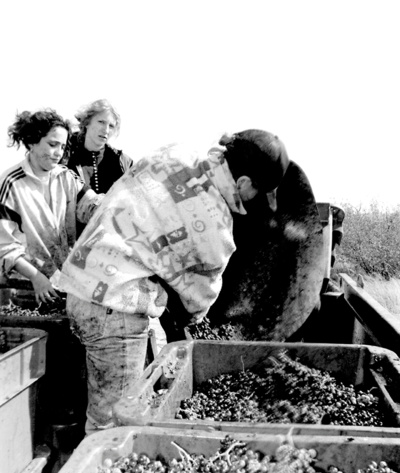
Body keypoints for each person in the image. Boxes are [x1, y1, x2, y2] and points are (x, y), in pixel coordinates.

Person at [56, 129, 290, 433]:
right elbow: (196, 304)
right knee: (112, 425)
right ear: (243, 183)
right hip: (115, 309)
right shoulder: (215, 226)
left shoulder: (174, 153)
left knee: (102, 401)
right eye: (256, 191)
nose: (254, 198)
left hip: (80, 285)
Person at [0, 109, 103, 304]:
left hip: (64, 282)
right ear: (31, 142)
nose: (58, 153)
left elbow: (92, 207)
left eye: (62, 147)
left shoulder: (67, 177)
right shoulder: (11, 184)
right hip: (26, 289)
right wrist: (36, 277)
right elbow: (4, 246)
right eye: (52, 144)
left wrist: (115, 204)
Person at [64, 98, 134, 196]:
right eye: (101, 122)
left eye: (111, 126)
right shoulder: (64, 152)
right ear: (87, 122)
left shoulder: (122, 162)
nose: (106, 130)